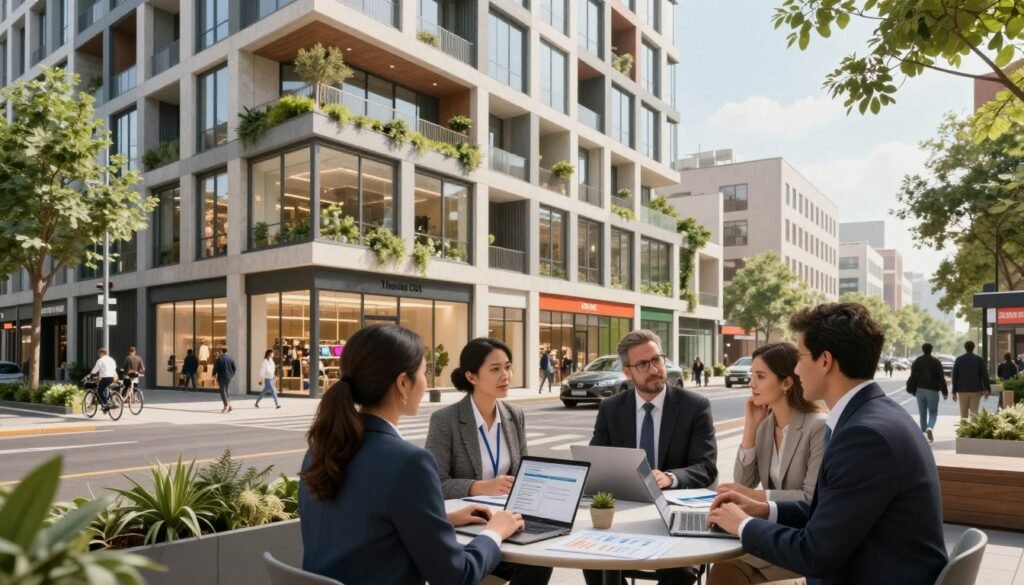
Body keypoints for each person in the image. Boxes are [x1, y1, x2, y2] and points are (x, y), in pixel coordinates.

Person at [708, 302, 947, 585]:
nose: (795, 369)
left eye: (799, 357)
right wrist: (763, 510)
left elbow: (814, 554)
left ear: (825, 361)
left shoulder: (865, 436)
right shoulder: (871, 416)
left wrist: (743, 525)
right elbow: (832, 510)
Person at [299, 324, 524, 585]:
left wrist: (442, 520)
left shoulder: (321, 448)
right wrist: (494, 533)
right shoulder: (409, 462)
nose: (426, 383)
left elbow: (362, 523)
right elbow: (456, 576)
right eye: (424, 372)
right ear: (403, 383)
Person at [586, 329, 718, 585]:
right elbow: (595, 462)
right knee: (593, 561)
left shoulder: (695, 406)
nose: (654, 369)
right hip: (625, 514)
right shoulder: (611, 408)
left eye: (657, 359)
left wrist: (669, 477)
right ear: (627, 371)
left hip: (676, 515)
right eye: (643, 364)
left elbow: (706, 468)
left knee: (678, 572)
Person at [426, 338, 552, 585]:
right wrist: (479, 487)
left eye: (507, 367)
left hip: (509, 522)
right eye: (495, 369)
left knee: (542, 555)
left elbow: (524, 473)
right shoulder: (446, 420)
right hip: (467, 529)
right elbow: (434, 485)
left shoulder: (514, 416)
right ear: (472, 376)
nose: (505, 375)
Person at [709, 342, 826, 585]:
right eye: (752, 376)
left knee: (726, 572)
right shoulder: (765, 426)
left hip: (798, 540)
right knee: (724, 569)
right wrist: (750, 426)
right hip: (767, 531)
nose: (752, 384)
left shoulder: (818, 426)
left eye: (760, 377)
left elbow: (810, 498)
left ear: (786, 382)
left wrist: (755, 496)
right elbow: (743, 481)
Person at [907, 343, 948, 443]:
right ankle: (930, 427)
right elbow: (941, 378)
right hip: (932, 390)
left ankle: (923, 434)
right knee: (933, 412)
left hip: (919, 390)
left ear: (923, 349)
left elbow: (912, 376)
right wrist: (944, 392)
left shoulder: (917, 361)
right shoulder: (936, 362)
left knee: (922, 413)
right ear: (931, 350)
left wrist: (912, 388)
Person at [952, 340, 991, 419]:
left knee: (963, 414)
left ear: (965, 348)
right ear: (974, 348)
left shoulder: (959, 359)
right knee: (974, 414)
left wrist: (954, 391)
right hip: (976, 390)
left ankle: (964, 430)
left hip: (962, 390)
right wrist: (987, 389)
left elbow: (955, 376)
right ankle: (973, 430)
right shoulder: (979, 360)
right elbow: (984, 375)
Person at [89, 347, 118, 412]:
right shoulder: (112, 360)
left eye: (99, 354)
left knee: (99, 391)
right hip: (112, 377)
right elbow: (114, 369)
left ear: (101, 353)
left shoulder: (100, 360)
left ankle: (105, 404)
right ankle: (111, 402)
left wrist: (91, 375)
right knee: (105, 389)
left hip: (105, 378)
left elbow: (95, 370)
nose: (99, 355)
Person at [212, 347, 236, 413]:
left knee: (222, 391)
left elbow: (215, 367)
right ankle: (230, 405)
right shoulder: (231, 358)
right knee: (226, 391)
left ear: (221, 351)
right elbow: (234, 368)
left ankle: (226, 405)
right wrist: (232, 375)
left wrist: (213, 374)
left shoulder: (219, 358)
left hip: (221, 377)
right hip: (228, 377)